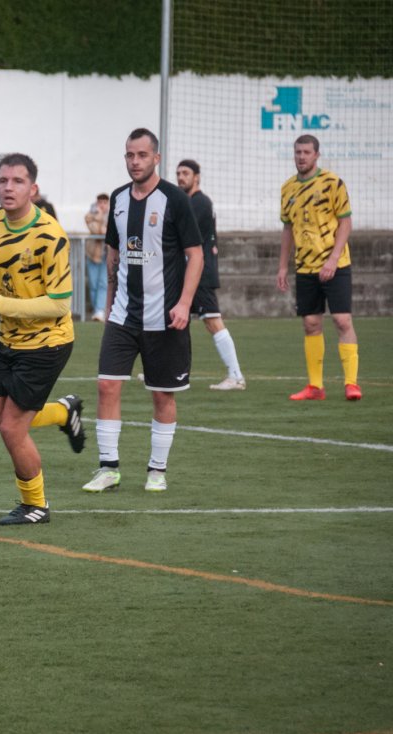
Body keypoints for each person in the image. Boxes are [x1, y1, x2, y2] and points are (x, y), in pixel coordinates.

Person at [0, 153, 86, 525]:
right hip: (9, 340)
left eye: (17, 181)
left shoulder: (52, 236)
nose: (8, 187)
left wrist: (0, 303)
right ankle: (64, 412)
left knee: (12, 427)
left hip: (48, 343)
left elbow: (60, 304)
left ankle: (36, 505)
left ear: (33, 188)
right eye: (3, 180)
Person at [83, 128, 203, 494]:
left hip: (164, 317)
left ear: (156, 158)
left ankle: (157, 470)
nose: (134, 161)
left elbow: (195, 255)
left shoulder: (174, 200)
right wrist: (107, 307)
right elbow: (113, 255)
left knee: (162, 394)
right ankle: (108, 468)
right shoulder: (118, 199)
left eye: (141, 155)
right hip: (122, 315)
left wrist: (183, 304)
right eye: (129, 155)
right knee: (106, 385)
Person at [277, 134, 360, 401]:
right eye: (298, 152)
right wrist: (282, 267)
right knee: (311, 324)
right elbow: (288, 229)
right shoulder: (287, 188)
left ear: (317, 155)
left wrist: (333, 259)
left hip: (336, 264)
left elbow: (345, 223)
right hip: (305, 267)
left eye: (306, 152)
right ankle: (315, 387)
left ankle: (351, 383)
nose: (301, 156)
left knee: (341, 320)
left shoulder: (333, 183)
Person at [175, 159, 246, 390]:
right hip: (188, 273)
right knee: (174, 321)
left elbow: (179, 231)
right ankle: (173, 372)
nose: (180, 177)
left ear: (197, 177)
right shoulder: (191, 201)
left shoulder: (199, 202)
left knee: (212, 321)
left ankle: (235, 376)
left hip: (200, 273)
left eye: (185, 173)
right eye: (178, 173)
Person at [84, 193, 110, 321]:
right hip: (92, 254)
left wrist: (101, 226)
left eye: (105, 202)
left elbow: (108, 231)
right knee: (93, 284)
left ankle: (100, 310)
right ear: (97, 203)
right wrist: (99, 217)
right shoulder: (90, 215)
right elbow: (97, 230)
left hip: (107, 255)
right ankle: (97, 310)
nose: (102, 205)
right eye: (100, 202)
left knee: (103, 283)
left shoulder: (113, 214)